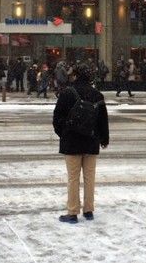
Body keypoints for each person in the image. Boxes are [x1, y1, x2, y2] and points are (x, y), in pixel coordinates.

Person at [52, 61, 109, 223]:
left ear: (75, 75)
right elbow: (103, 120)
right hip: (91, 141)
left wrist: (63, 134)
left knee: (73, 178)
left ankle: (72, 212)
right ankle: (89, 210)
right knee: (90, 178)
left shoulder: (67, 93)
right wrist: (104, 139)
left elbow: (57, 119)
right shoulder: (97, 95)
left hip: (71, 142)